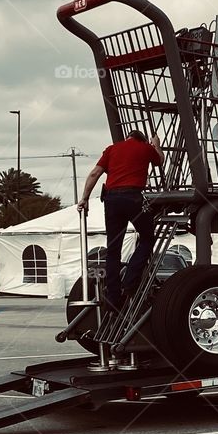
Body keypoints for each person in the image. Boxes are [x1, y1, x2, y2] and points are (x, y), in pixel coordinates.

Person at [78, 130, 163, 309]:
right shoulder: (146, 148)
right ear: (142, 139)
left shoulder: (112, 149)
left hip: (111, 200)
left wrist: (84, 198)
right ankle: (131, 280)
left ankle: (113, 296)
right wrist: (156, 144)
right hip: (133, 198)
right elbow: (159, 160)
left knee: (113, 248)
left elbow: (95, 174)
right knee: (147, 238)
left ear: (127, 138)